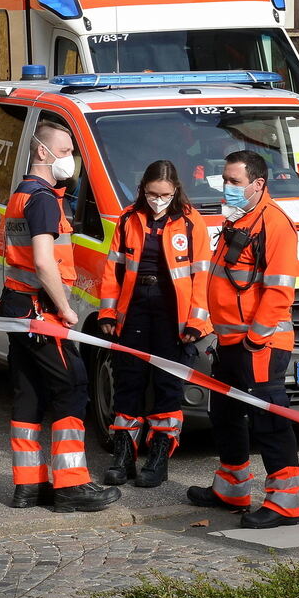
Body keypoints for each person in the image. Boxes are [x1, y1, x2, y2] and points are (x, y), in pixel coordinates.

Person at [0, 120, 120, 514]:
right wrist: (65, 308)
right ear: (42, 152)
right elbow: (42, 259)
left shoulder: (21, 194)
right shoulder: (44, 199)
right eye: (66, 152)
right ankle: (71, 485)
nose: (71, 160)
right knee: (72, 385)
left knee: (28, 393)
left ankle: (28, 486)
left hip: (16, 306)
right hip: (40, 309)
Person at [186, 150, 299, 529]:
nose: (227, 187)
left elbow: (279, 291)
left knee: (269, 420)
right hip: (230, 341)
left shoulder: (275, 225)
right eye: (226, 180)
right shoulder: (240, 220)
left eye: (235, 182)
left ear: (258, 185)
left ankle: (285, 504)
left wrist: (255, 339)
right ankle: (232, 488)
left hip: (259, 345)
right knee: (226, 414)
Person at [97, 160, 212, 488]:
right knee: (128, 382)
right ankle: (124, 455)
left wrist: (195, 321)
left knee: (168, 386)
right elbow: (113, 271)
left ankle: (159, 456)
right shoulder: (128, 219)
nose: (157, 199)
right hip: (135, 307)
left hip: (172, 312)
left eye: (163, 194)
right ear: (142, 189)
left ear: (175, 190)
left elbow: (201, 276)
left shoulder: (191, 223)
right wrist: (107, 313)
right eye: (151, 193)